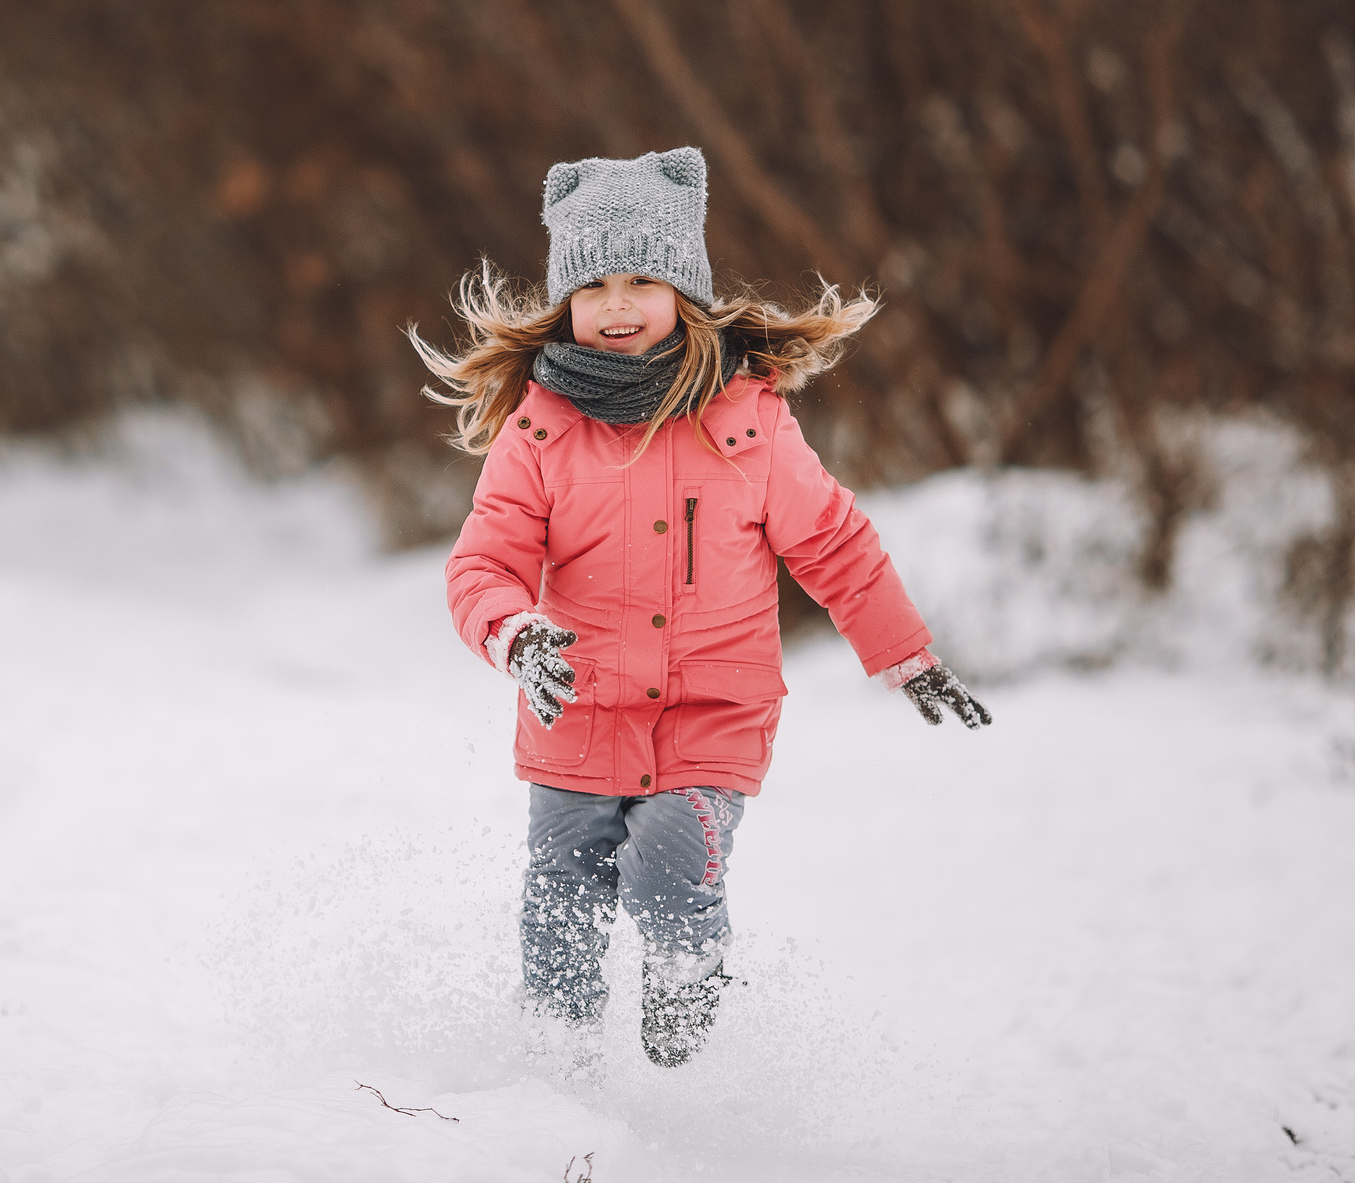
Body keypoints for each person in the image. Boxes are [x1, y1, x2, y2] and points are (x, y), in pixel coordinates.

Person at [412, 146, 990, 1073]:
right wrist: (514, 633)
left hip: (711, 715)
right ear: (565, 301)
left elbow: (832, 540)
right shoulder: (538, 430)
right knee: (560, 899)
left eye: (642, 277)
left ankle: (688, 967)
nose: (616, 302)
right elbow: (484, 561)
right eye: (594, 282)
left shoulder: (747, 420)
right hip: (578, 710)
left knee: (669, 862)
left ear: (685, 288)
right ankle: (551, 1077)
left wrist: (904, 653)